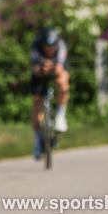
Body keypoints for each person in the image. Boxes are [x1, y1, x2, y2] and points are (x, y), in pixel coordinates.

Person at [29, 27, 70, 159]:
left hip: (57, 70)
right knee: (36, 105)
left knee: (63, 81)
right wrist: (41, 68)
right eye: (47, 47)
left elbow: (61, 67)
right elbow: (35, 69)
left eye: (52, 47)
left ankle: (60, 116)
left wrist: (55, 68)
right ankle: (37, 142)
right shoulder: (36, 46)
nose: (49, 50)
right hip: (40, 73)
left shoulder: (61, 45)